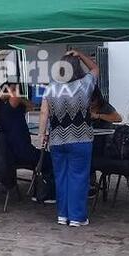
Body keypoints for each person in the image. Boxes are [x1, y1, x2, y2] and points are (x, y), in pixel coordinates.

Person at [39, 49, 99, 227]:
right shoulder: (84, 84)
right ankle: (77, 217)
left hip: (57, 141)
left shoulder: (50, 87)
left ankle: (62, 215)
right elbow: (95, 68)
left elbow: (43, 112)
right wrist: (80, 54)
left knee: (61, 177)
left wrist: (42, 135)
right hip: (81, 140)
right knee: (79, 178)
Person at [0, 81, 53, 202]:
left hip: (15, 153)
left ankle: (42, 190)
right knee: (52, 159)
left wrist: (15, 97)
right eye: (14, 90)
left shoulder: (10, 108)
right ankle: (47, 193)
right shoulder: (6, 108)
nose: (18, 93)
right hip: (20, 153)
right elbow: (15, 99)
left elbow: (32, 105)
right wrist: (9, 95)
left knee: (47, 158)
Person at [89, 86, 123, 197]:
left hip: (104, 143)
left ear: (98, 99)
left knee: (87, 155)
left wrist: (98, 116)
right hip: (88, 139)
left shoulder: (105, 107)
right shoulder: (83, 106)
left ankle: (90, 184)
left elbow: (118, 118)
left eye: (92, 100)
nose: (91, 103)